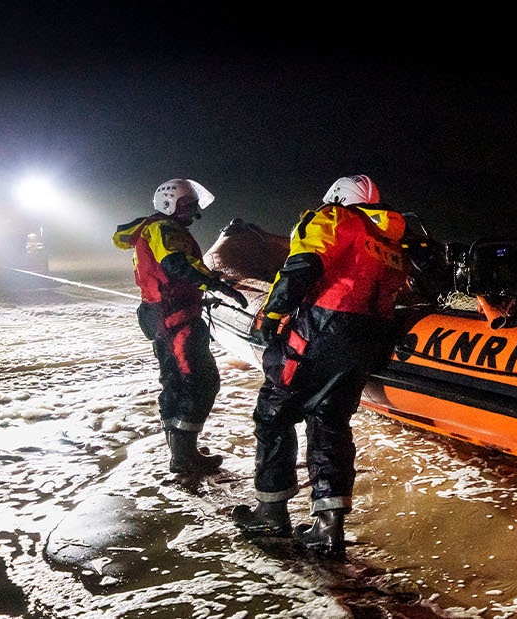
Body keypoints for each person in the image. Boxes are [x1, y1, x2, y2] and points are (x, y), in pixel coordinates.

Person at [232, 175, 408, 558]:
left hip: (323, 326)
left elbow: (304, 263)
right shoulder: (388, 242)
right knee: (330, 421)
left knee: (273, 412)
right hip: (368, 336)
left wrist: (273, 311)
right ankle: (329, 529)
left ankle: (270, 512)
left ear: (337, 198)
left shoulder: (335, 218)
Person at [112, 178, 248, 481]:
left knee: (175, 381)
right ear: (169, 204)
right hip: (174, 316)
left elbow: (176, 267)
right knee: (200, 382)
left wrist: (208, 283)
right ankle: (184, 457)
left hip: (161, 312)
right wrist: (215, 284)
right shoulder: (163, 230)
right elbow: (175, 264)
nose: (193, 212)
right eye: (188, 206)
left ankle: (181, 454)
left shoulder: (154, 229)